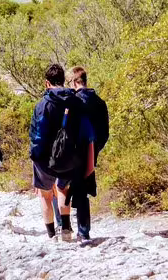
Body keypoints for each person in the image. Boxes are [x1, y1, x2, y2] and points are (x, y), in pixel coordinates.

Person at [30, 64, 81, 241]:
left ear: (47, 83)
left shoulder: (43, 105)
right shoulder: (75, 100)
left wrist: (35, 154)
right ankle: (66, 230)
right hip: (69, 154)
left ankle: (52, 235)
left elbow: (38, 133)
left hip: (45, 157)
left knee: (45, 194)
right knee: (63, 189)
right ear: (63, 80)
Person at [67, 66, 109, 243]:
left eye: (69, 82)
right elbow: (105, 132)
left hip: (75, 152)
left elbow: (66, 128)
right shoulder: (100, 102)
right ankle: (83, 231)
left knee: (73, 189)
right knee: (83, 190)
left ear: (76, 81)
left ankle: (75, 230)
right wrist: (95, 149)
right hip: (91, 151)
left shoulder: (73, 101)